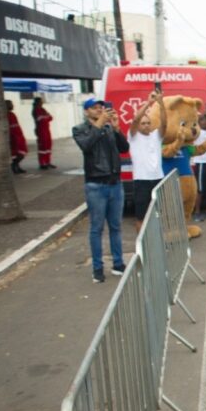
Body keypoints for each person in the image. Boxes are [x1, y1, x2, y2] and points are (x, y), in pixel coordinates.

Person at [73, 98, 128, 283]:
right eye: (95, 108)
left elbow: (124, 148)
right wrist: (99, 123)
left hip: (115, 183)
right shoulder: (80, 129)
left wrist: (116, 128)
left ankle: (118, 264)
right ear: (87, 111)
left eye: (101, 108)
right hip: (96, 185)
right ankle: (97, 268)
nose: (100, 111)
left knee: (116, 227)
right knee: (96, 228)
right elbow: (86, 145)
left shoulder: (108, 128)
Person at [127, 91, 167, 232]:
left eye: (148, 123)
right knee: (141, 217)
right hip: (141, 180)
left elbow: (164, 123)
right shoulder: (133, 136)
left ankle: (160, 244)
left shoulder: (156, 136)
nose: (146, 125)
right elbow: (135, 120)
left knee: (159, 214)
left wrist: (161, 103)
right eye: (143, 123)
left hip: (157, 179)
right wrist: (148, 103)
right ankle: (143, 248)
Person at [32, 97, 54, 169]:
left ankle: (47, 162)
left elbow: (50, 117)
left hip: (46, 130)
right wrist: (46, 117)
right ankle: (42, 163)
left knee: (48, 146)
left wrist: (46, 117)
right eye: (41, 101)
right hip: (41, 131)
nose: (42, 103)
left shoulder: (43, 109)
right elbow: (41, 119)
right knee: (42, 148)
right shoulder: (36, 110)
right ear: (37, 102)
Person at [6, 99, 28, 174]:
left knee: (20, 152)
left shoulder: (12, 114)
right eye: (11, 104)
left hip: (18, 136)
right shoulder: (7, 115)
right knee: (18, 153)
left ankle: (16, 166)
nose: (12, 105)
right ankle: (14, 165)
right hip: (13, 137)